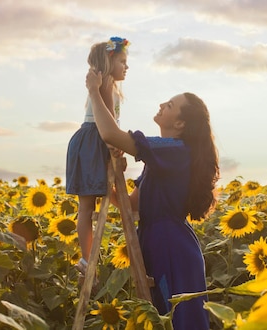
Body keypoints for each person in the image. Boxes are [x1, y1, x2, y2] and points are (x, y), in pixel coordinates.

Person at [86, 68, 219, 330]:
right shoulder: (163, 157)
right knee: (166, 316)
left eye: (169, 105)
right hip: (161, 239)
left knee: (175, 319)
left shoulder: (175, 151)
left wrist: (94, 92)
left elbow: (111, 134)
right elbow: (133, 205)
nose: (161, 105)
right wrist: (108, 180)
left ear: (180, 123)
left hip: (169, 244)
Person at [66, 37, 130, 277]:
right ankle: (86, 258)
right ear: (109, 61)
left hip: (92, 140)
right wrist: (116, 145)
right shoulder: (105, 84)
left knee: (87, 205)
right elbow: (108, 123)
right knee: (86, 206)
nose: (126, 66)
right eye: (122, 61)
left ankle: (87, 257)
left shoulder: (108, 85)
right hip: (94, 140)